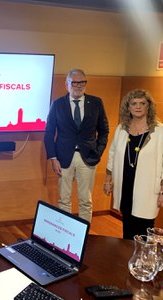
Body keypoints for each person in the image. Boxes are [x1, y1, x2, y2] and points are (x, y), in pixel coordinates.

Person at [44, 68, 109, 222]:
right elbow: (49, 132)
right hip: (63, 158)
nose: (79, 86)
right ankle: (65, 232)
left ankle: (84, 237)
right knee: (64, 200)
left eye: (82, 82)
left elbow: (104, 131)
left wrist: (98, 152)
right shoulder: (57, 104)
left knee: (86, 201)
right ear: (67, 85)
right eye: (74, 82)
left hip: (88, 158)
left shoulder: (96, 102)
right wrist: (53, 157)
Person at [103, 89, 163, 239]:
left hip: (148, 189)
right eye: (134, 103)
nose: (138, 107)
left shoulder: (159, 131)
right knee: (128, 226)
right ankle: (128, 258)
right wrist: (108, 180)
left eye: (142, 103)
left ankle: (143, 260)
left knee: (143, 228)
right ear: (128, 107)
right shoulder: (121, 128)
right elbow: (112, 153)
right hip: (126, 185)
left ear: (148, 106)